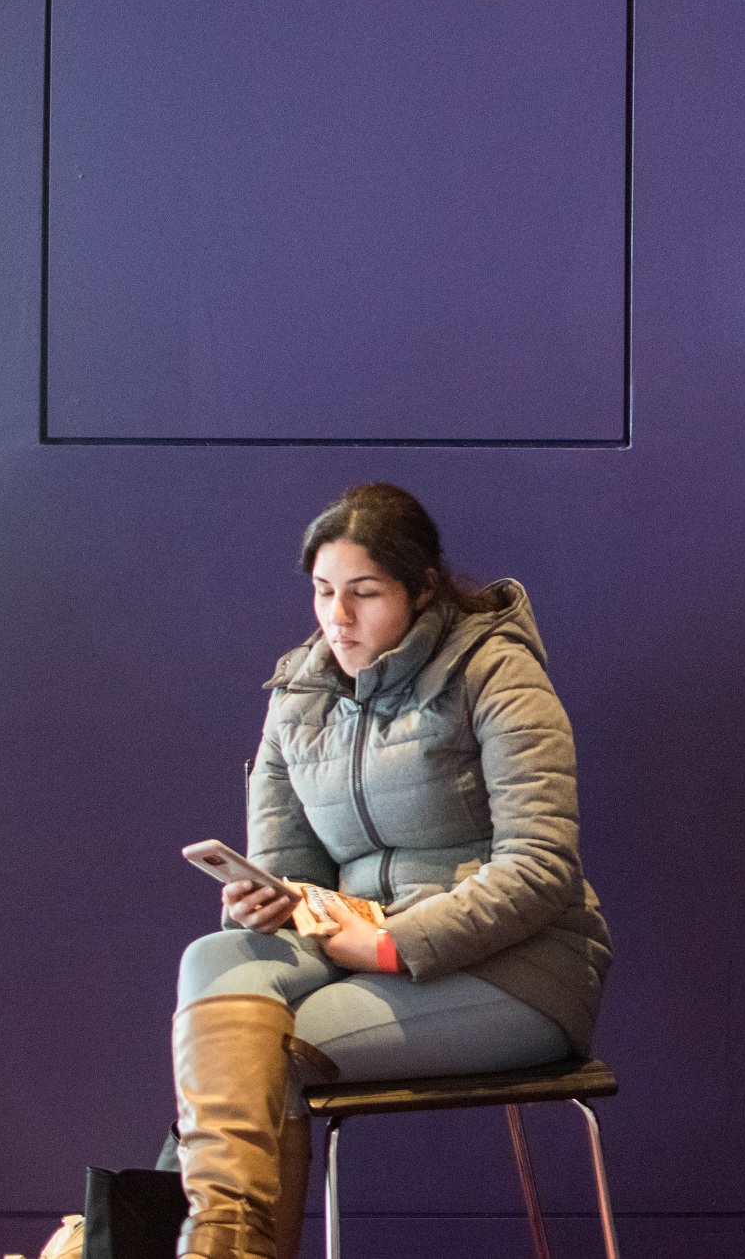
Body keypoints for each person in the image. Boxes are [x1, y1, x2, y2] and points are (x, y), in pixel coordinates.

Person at [168, 484, 611, 1259]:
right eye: (323, 592)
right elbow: (290, 871)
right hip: (353, 949)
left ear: (422, 587)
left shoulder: (496, 673)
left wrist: (390, 943)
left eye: (364, 594)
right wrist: (262, 900)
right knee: (214, 959)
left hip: (518, 970)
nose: (337, 617)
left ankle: (214, 1245)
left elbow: (541, 867)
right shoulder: (297, 692)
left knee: (261, 1054)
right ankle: (220, 1241)